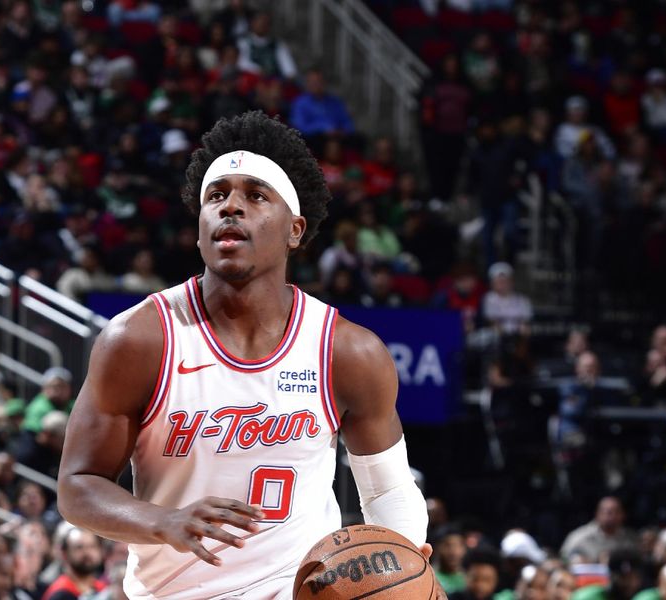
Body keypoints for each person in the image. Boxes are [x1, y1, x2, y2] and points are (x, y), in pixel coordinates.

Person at [58, 111, 429, 599]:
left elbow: (386, 491)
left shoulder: (347, 351)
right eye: (217, 196)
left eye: (255, 195)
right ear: (198, 230)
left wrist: (406, 562)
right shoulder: (139, 339)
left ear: (295, 229)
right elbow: (78, 486)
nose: (230, 207)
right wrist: (162, 521)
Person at [560, 497, 638, 564]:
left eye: (617, 512)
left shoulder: (630, 536)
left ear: (623, 515)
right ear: (598, 514)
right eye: (609, 512)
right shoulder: (580, 536)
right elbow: (563, 558)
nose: (613, 517)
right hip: (589, 578)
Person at [41, 527, 106, 600]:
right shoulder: (60, 593)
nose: (87, 552)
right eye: (79, 547)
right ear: (64, 554)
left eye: (92, 546)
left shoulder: (103, 589)